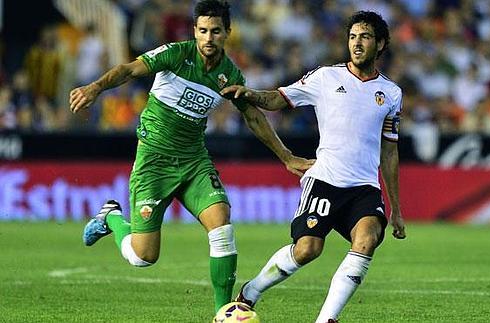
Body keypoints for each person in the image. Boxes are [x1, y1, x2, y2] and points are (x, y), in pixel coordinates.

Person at [69, 0, 313, 314]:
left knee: (221, 221)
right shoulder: (176, 53)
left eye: (215, 31)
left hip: (193, 161)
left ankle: (223, 312)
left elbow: (253, 117)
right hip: (154, 162)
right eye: (202, 31)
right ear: (194, 31)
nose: (208, 38)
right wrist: (95, 87)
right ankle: (111, 218)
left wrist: (286, 156)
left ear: (228, 32)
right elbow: (128, 69)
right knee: (142, 257)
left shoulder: (228, 74)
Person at [221, 10, 406, 323]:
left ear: (381, 44)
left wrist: (396, 208)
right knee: (308, 249)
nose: (357, 43)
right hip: (325, 180)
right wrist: (250, 94)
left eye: (365, 37)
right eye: (352, 37)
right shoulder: (325, 77)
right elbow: (279, 99)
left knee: (368, 238)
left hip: (363, 188)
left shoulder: (391, 93)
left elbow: (390, 152)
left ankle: (326, 320)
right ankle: (252, 291)